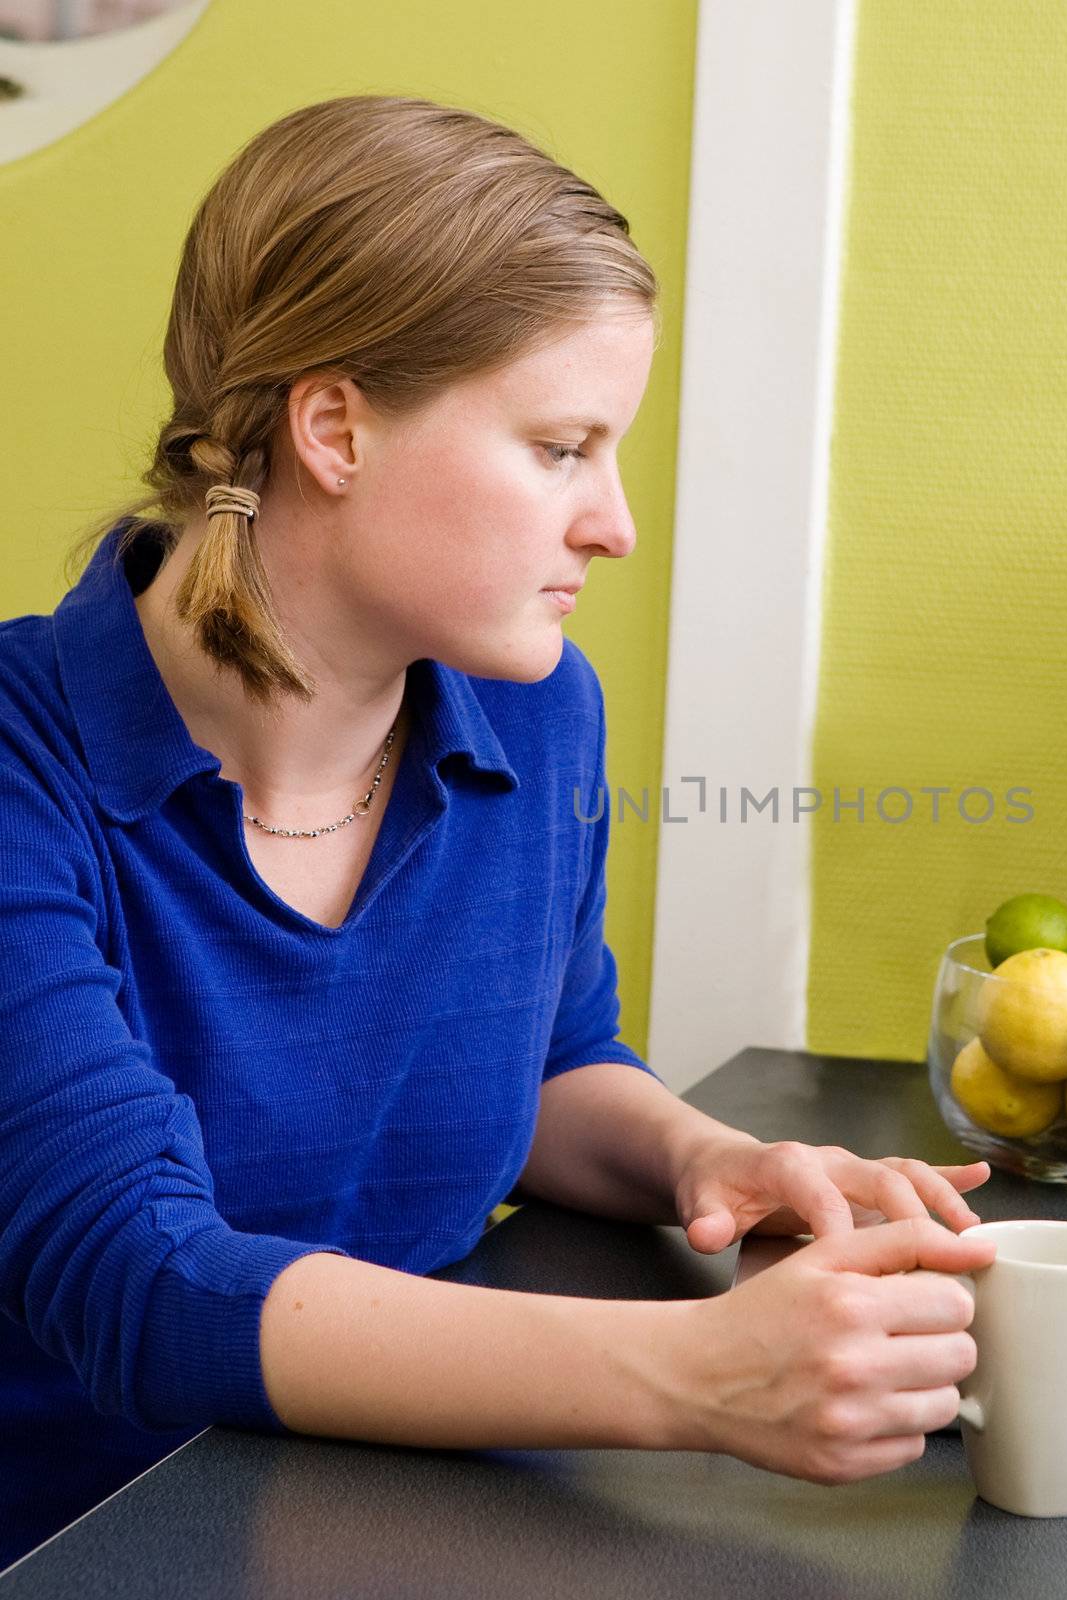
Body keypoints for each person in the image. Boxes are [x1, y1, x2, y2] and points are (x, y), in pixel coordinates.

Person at [0, 95, 998, 1570]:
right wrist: (710, 1380)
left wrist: (701, 1159)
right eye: (560, 448)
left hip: (394, 1515)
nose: (615, 525)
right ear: (332, 426)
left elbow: (539, 1062)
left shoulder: (533, 718)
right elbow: (145, 1285)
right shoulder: (29, 757)